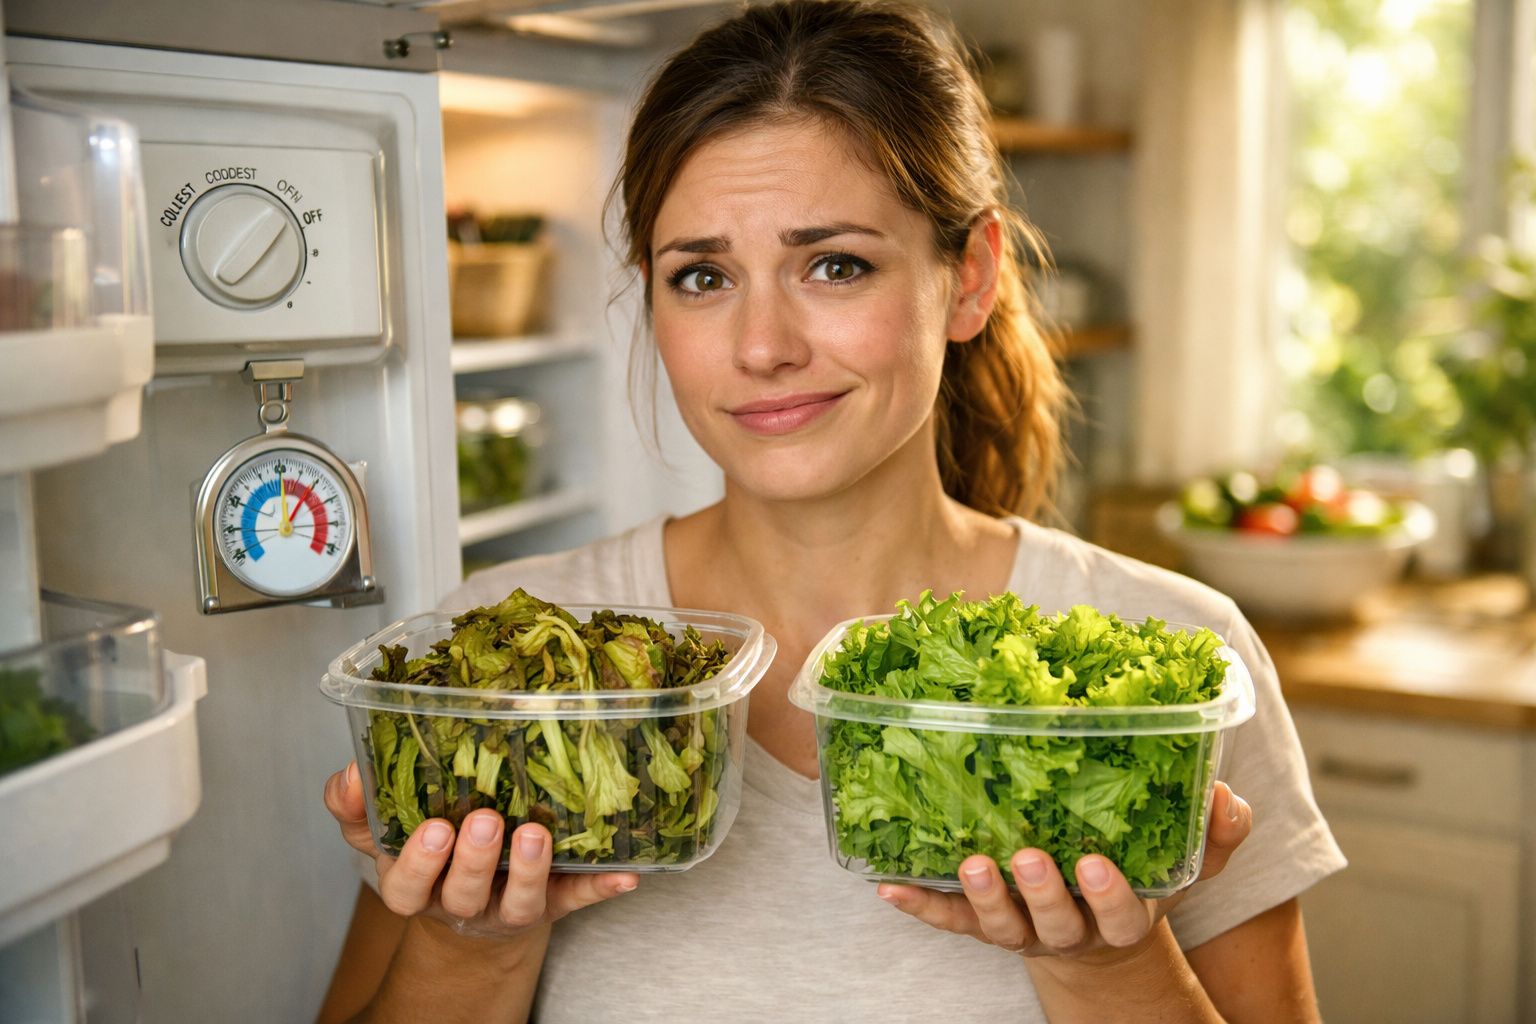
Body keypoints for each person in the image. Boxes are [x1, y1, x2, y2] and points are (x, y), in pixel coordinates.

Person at [318, 2, 1345, 1020]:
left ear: (970, 278)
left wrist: (1108, 967)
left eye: (835, 264)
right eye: (704, 276)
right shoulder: (485, 683)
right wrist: (471, 949)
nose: (763, 344)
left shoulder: (1178, 667)